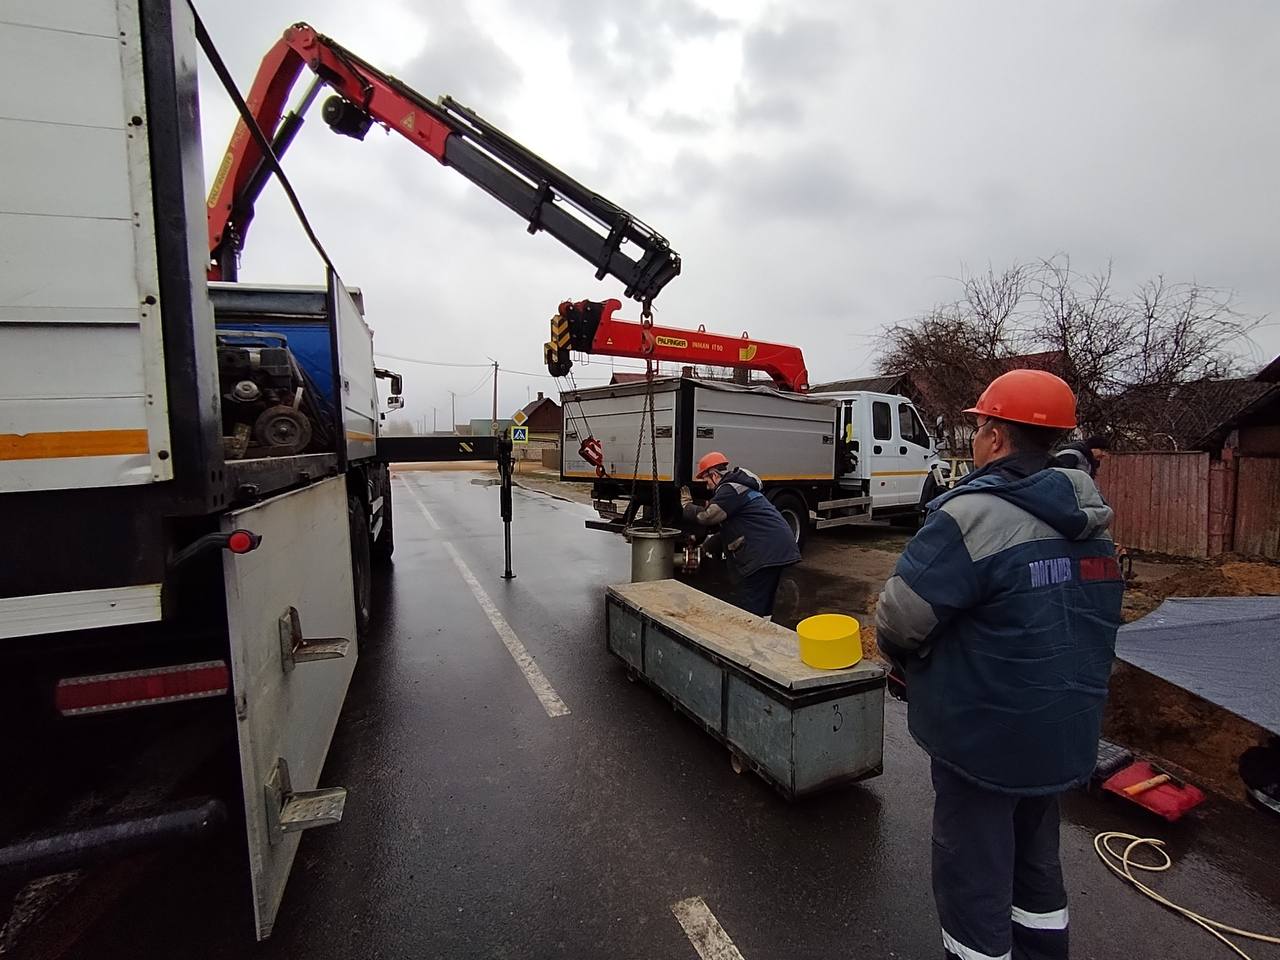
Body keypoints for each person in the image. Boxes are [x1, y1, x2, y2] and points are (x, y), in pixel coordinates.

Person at [875, 369, 1123, 960]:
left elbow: (898, 621)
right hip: (1062, 729)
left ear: (995, 436)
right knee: (1036, 863)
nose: (978, 436)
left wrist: (913, 661)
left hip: (984, 735)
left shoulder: (974, 515)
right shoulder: (1093, 520)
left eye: (980, 425)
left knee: (973, 873)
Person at [681, 452, 801, 620]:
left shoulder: (728, 489)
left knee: (750, 605)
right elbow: (728, 530)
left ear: (714, 475)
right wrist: (705, 547)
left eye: (706, 480)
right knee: (762, 603)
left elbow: (708, 516)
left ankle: (749, 641)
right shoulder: (737, 488)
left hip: (764, 552)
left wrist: (687, 507)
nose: (707, 486)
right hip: (774, 549)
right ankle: (763, 633)